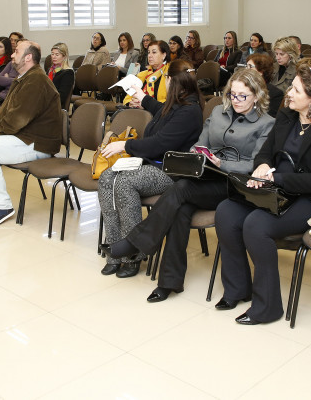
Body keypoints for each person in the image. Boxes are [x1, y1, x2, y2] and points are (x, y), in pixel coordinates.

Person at [101, 69, 275, 302]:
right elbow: (198, 145)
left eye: (242, 96)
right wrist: (201, 155)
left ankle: (135, 242)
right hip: (205, 176)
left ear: (257, 95)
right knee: (179, 210)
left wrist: (222, 163)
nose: (236, 100)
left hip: (233, 183)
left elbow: (256, 164)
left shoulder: (266, 124)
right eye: (233, 94)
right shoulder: (218, 112)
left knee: (181, 190)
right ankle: (168, 283)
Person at [214, 59, 311, 324]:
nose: (289, 93)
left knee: (256, 225)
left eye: (296, 89)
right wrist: (261, 168)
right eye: (291, 87)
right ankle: (237, 289)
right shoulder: (287, 116)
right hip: (279, 188)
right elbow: (266, 152)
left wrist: (276, 177)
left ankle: (267, 306)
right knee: (226, 211)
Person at [98, 60, 204, 278]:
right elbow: (161, 110)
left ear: (172, 81)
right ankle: (115, 252)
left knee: (125, 183)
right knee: (107, 178)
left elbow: (160, 144)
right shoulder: (178, 102)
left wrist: (124, 144)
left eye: (166, 78)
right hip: (153, 163)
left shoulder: (190, 111)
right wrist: (142, 97)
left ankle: (133, 255)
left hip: (171, 171)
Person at [0, 40, 63, 228]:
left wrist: (0, 131)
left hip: (38, 142)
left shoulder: (37, 80)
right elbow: (3, 111)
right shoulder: (25, 77)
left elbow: (19, 117)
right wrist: (0, 129)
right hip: (24, 136)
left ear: (28, 57)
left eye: (16, 51)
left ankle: (2, 206)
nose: (11, 55)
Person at [126, 40, 170, 105]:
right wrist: (131, 103)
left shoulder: (170, 74)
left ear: (164, 55)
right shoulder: (142, 75)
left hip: (160, 111)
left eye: (154, 52)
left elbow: (170, 101)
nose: (150, 55)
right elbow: (129, 96)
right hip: (138, 110)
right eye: (149, 52)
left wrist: (145, 105)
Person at [245, 52, 283, 117]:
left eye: (250, 66)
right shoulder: (242, 88)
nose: (246, 69)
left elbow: (270, 118)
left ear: (261, 71)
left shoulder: (275, 93)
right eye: (246, 66)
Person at [47, 42, 76, 110]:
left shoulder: (68, 73)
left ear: (64, 56)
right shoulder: (50, 70)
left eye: (57, 54)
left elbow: (61, 97)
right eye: (52, 54)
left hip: (55, 106)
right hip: (47, 102)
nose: (53, 57)